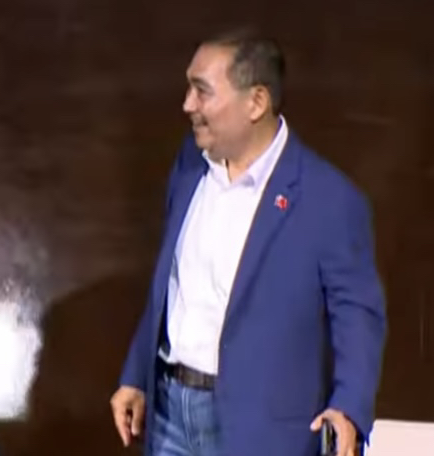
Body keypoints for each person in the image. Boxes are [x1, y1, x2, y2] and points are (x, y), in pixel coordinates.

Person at [110, 29, 387, 456]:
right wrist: (136, 375)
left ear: (256, 102)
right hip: (169, 414)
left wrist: (348, 407)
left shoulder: (328, 199)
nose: (187, 104)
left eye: (202, 91)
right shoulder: (189, 165)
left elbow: (357, 314)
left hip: (259, 430)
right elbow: (172, 283)